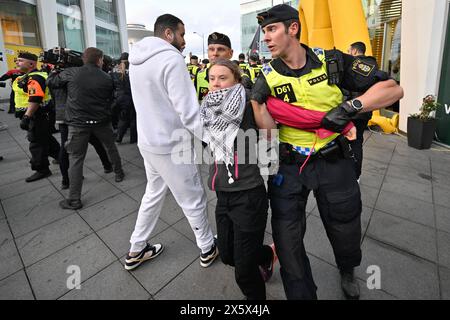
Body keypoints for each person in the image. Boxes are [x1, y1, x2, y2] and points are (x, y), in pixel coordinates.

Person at [251, 4, 404, 300]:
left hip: (335, 159)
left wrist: (350, 107)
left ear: (292, 28)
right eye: (264, 32)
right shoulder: (266, 76)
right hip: (290, 166)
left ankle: (347, 268)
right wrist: (258, 105)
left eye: (271, 30)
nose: (265, 38)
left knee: (345, 224)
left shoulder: (332, 61)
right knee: (286, 237)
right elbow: (268, 133)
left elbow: (393, 89)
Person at [125, 14, 217, 271]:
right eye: (182, 34)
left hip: (149, 141)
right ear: (168, 34)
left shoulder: (136, 59)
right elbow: (188, 112)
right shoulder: (171, 59)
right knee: (194, 197)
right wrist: (214, 141)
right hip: (172, 143)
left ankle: (137, 247)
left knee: (153, 194)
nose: (184, 41)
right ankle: (208, 247)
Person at [201, 58, 276, 300]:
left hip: (248, 195)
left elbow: (270, 133)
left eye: (223, 78)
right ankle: (267, 255)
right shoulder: (209, 106)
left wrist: (256, 102)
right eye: (212, 79)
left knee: (244, 273)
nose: (216, 84)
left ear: (236, 79)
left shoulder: (245, 102)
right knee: (227, 256)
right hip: (222, 193)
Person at [56, 47, 125, 210]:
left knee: (76, 158)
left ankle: (74, 199)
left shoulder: (72, 73)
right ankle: (119, 172)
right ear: (100, 60)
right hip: (101, 121)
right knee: (110, 147)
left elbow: (53, 82)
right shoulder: (107, 77)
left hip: (78, 124)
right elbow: (112, 99)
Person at [47, 65, 113, 190]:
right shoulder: (75, 75)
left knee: (66, 147)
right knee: (95, 141)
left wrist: (52, 72)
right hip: (79, 115)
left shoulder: (55, 77)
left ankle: (66, 180)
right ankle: (107, 165)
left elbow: (50, 85)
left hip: (64, 116)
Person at [13, 52, 61, 183]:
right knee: (46, 140)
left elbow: (35, 98)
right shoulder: (29, 76)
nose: (17, 63)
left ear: (31, 63)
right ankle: (63, 158)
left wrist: (27, 117)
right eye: (17, 60)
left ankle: (42, 169)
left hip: (37, 116)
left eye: (20, 60)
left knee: (36, 143)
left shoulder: (35, 78)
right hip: (40, 116)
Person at [346, 41, 378, 181]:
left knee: (344, 142)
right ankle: (356, 176)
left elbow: (345, 89)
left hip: (350, 110)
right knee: (357, 142)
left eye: (349, 50)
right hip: (365, 111)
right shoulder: (374, 67)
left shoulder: (352, 64)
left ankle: (345, 174)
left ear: (354, 51)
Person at [115, 60, 137, 144]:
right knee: (133, 119)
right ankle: (133, 139)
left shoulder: (117, 74)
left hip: (121, 99)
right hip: (130, 98)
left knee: (123, 118)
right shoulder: (132, 73)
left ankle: (118, 138)